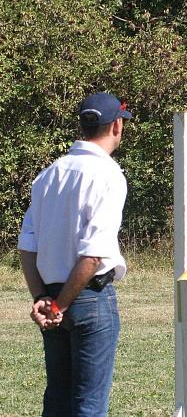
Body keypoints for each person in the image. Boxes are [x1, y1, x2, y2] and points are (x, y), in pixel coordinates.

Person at [19, 92, 131, 416]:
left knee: (57, 400)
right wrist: (60, 305)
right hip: (88, 297)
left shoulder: (48, 174)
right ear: (117, 127)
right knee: (89, 405)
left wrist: (43, 297)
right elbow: (94, 255)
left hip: (52, 295)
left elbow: (27, 245)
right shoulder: (108, 175)